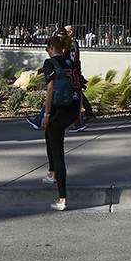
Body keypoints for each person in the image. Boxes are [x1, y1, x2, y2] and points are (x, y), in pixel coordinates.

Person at [40, 33, 80, 211]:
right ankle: (51, 172)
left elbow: (50, 89)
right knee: (49, 135)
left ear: (50, 47)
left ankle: (62, 198)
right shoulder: (71, 62)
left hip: (58, 109)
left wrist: (46, 114)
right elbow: (78, 87)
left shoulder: (50, 63)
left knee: (58, 152)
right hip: (71, 108)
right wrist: (78, 115)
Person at [27, 25, 88, 131]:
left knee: (55, 96)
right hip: (73, 73)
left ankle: (41, 119)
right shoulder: (73, 44)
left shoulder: (64, 47)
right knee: (75, 96)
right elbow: (77, 60)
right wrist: (78, 73)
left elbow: (58, 61)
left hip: (65, 74)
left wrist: (42, 70)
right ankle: (79, 121)